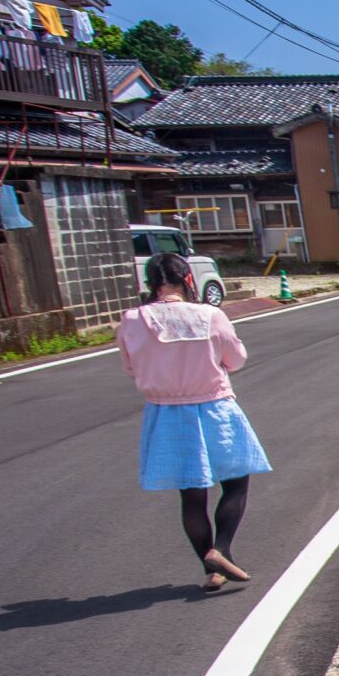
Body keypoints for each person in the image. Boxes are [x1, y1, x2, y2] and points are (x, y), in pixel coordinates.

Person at [118, 252, 272, 593]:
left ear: (150, 283)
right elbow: (236, 359)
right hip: (214, 407)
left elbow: (131, 367)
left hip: (166, 412)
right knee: (235, 483)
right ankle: (223, 550)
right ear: (187, 279)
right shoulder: (209, 315)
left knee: (192, 493)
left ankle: (211, 566)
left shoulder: (132, 320)